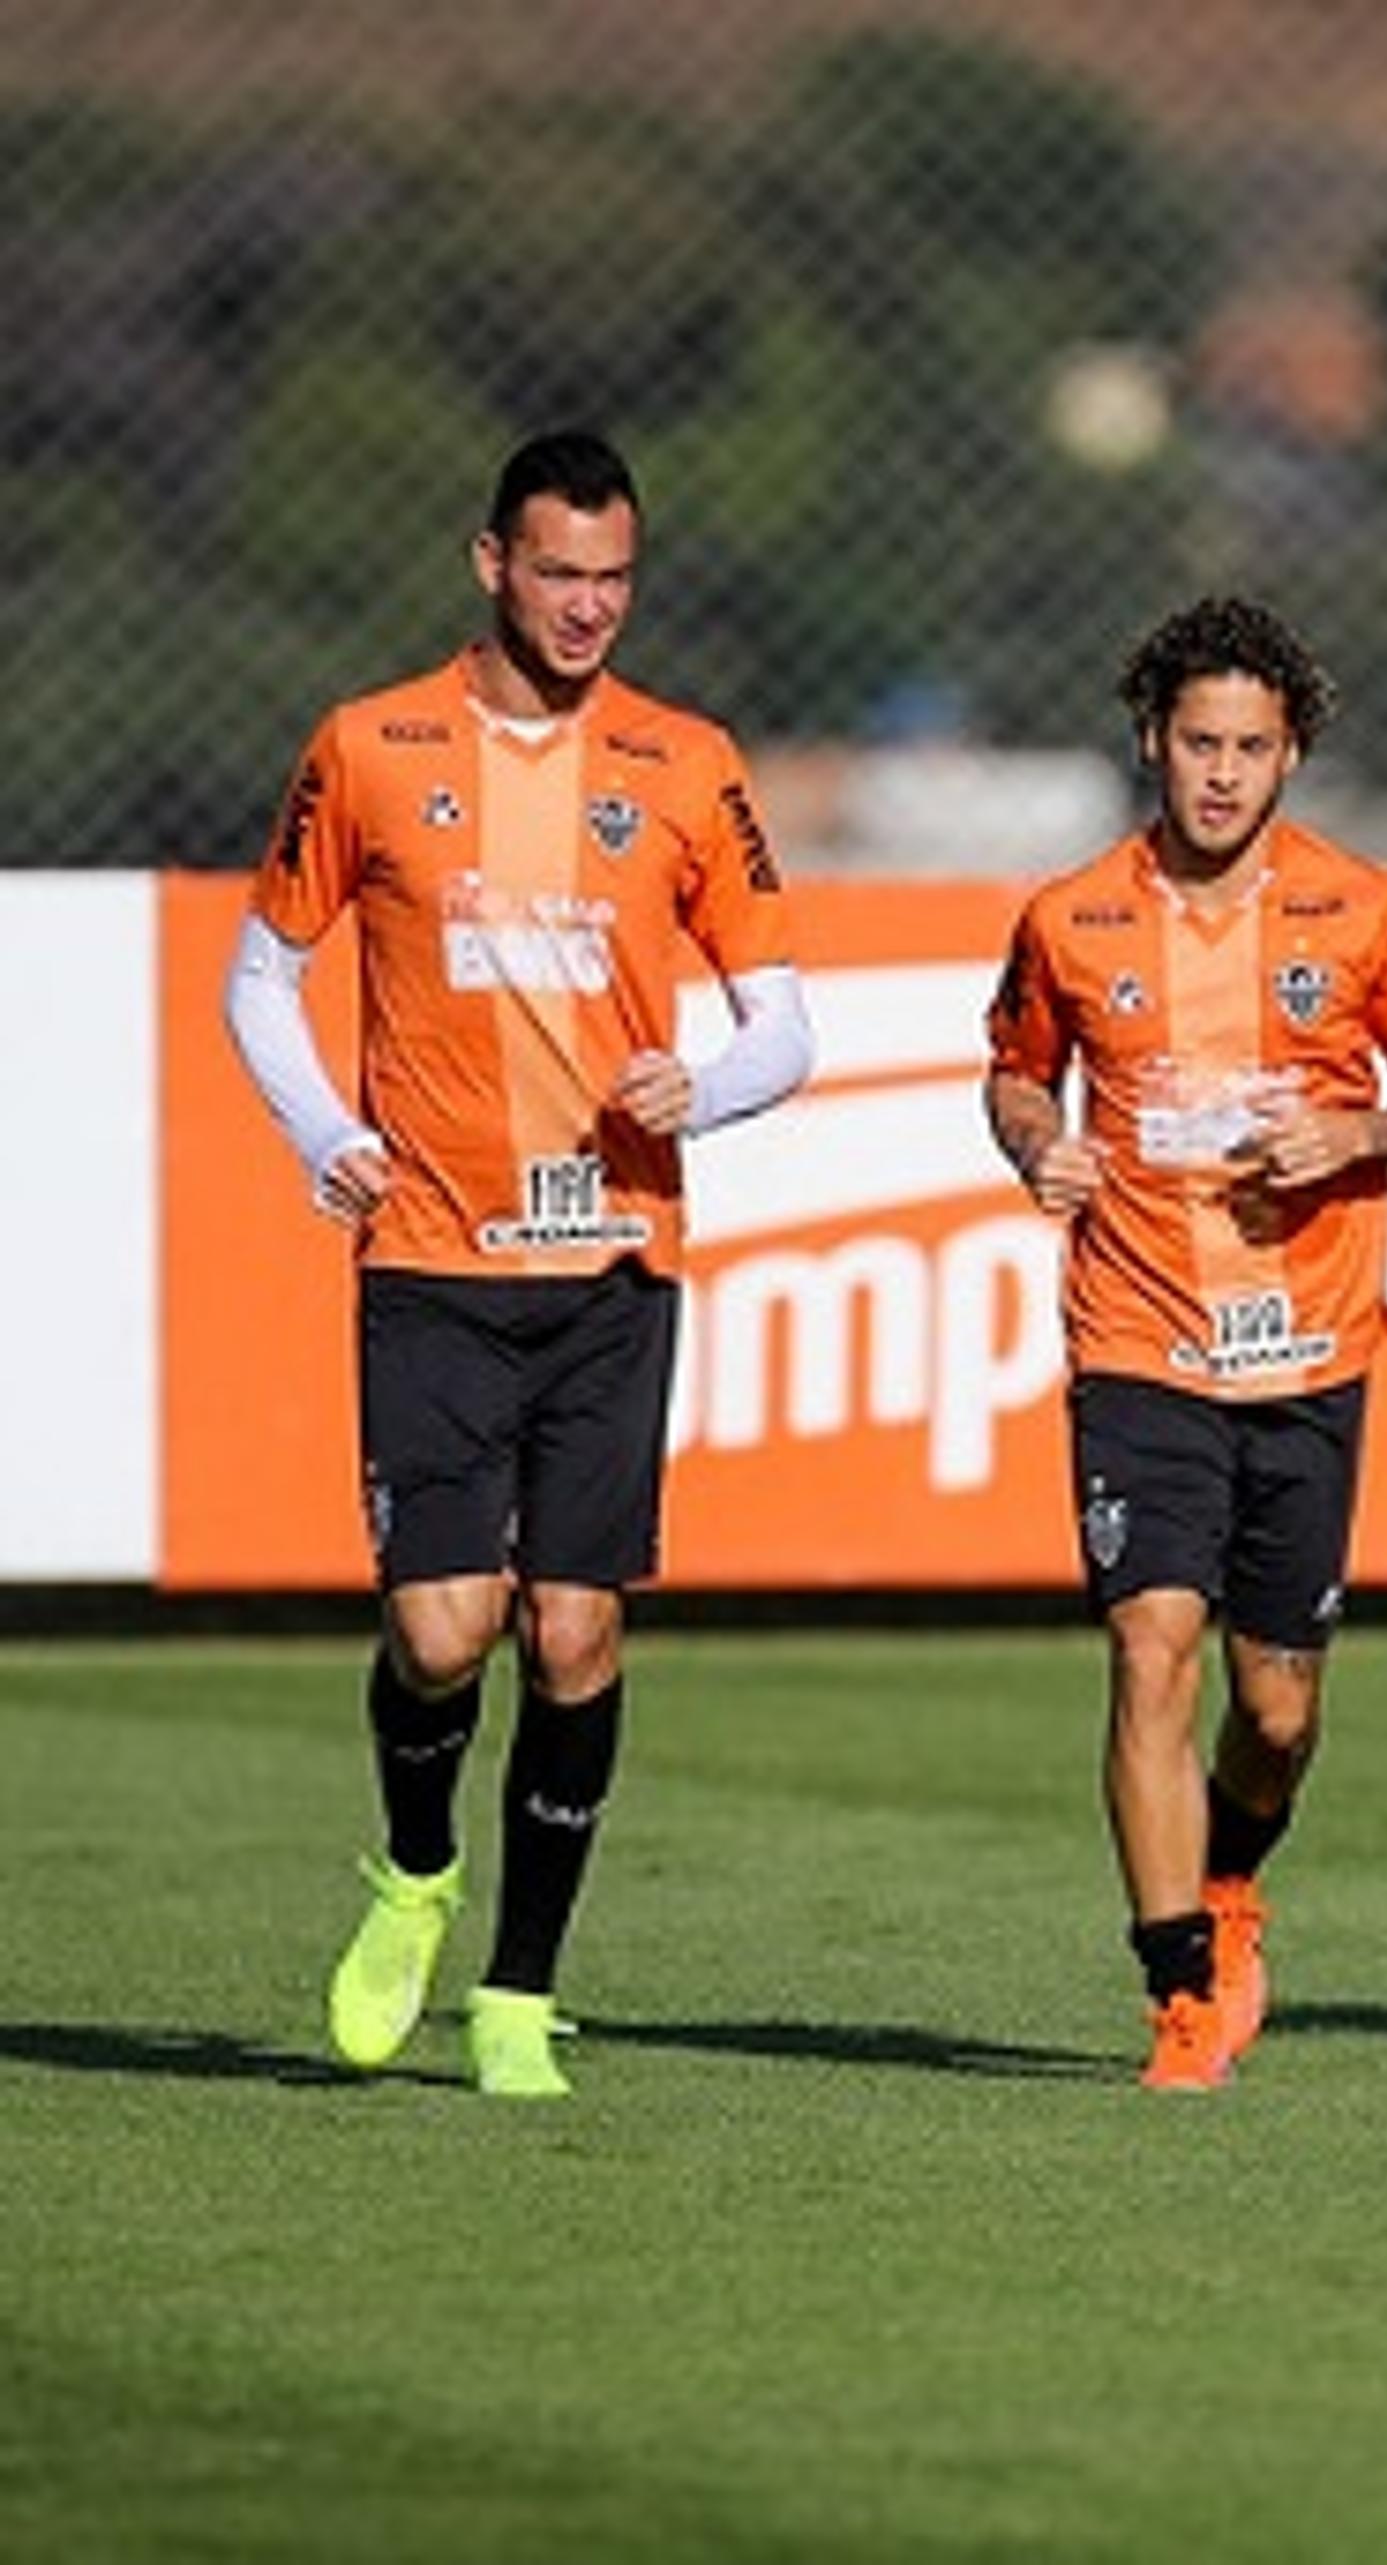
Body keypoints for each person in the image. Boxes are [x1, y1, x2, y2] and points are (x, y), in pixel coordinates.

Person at [224, 428, 816, 2099]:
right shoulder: (369, 745)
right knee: (440, 1630)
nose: (587, 605)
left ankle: (516, 1991)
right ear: (492, 563)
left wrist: (703, 1082)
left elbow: (788, 1023)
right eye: (558, 572)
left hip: (616, 1267)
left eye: (614, 577)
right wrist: (323, 1131)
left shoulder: (686, 763)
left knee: (572, 1635)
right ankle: (414, 1873)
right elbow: (261, 978)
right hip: (428, 1253)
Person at [984, 596, 1387, 2093]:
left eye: (1251, 748)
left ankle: (1234, 1880)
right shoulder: (1069, 916)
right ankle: (1179, 1991)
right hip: (1137, 1338)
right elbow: (1013, 1076)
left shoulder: (1369, 910)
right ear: (1152, 738)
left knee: (1276, 1709)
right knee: (1152, 1651)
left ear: (1292, 756)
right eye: (1198, 741)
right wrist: (1037, 1148)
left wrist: (1358, 1128)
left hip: (1312, 1353)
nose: (1220, 773)